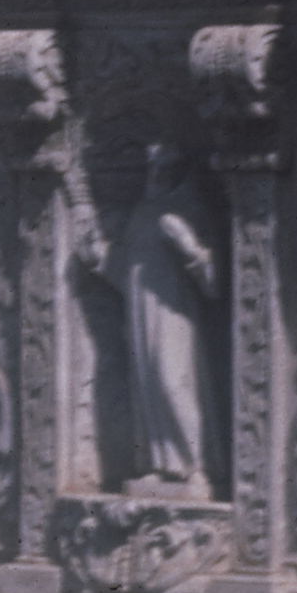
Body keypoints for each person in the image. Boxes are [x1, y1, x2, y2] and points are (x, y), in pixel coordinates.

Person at [105, 143, 221, 489]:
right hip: (140, 313)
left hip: (174, 310)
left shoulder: (189, 209)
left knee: (174, 380)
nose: (156, 175)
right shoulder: (140, 213)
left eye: (165, 169)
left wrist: (190, 246)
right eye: (153, 168)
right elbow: (126, 271)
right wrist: (98, 256)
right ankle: (156, 464)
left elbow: (215, 282)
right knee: (146, 385)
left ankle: (196, 466)